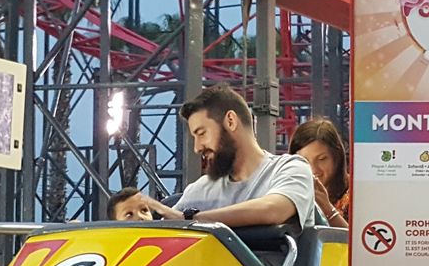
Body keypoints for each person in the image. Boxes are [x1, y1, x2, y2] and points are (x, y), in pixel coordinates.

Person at [124, 85, 319, 228]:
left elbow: (274, 210)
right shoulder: (199, 190)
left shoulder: (291, 168)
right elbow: (169, 226)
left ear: (231, 121)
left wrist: (191, 219)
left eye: (202, 133)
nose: (197, 148)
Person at [289, 118, 351, 227]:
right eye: (304, 160)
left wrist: (327, 209)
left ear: (337, 157)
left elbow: (361, 237)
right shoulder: (290, 191)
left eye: (322, 159)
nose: (313, 169)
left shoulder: (357, 194)